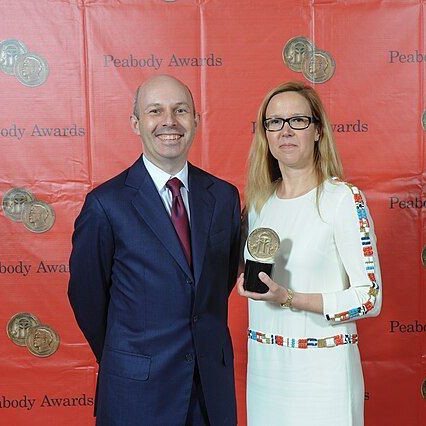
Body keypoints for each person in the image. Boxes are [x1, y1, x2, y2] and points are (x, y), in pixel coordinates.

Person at [68, 75, 241, 425]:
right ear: (136, 123)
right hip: (137, 392)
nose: (169, 122)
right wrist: (129, 357)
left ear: (196, 120)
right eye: (154, 111)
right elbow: (87, 297)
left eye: (180, 110)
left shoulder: (224, 196)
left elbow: (214, 286)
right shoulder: (105, 204)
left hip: (211, 392)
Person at [237, 81, 382, 425]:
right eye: (274, 122)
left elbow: (369, 298)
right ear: (265, 134)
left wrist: (289, 297)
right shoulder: (257, 205)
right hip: (265, 375)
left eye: (298, 120)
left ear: (317, 131)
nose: (285, 130)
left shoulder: (343, 199)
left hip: (324, 378)